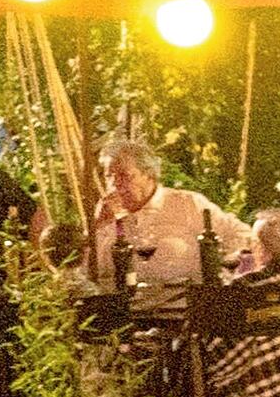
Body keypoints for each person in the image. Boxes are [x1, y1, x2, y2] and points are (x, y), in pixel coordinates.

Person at [85, 132, 251, 315]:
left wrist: (219, 266)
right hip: (126, 317)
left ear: (149, 175)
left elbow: (241, 235)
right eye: (109, 176)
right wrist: (97, 227)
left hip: (184, 312)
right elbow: (87, 272)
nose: (115, 185)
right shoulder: (105, 219)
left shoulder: (186, 204)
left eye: (125, 176)